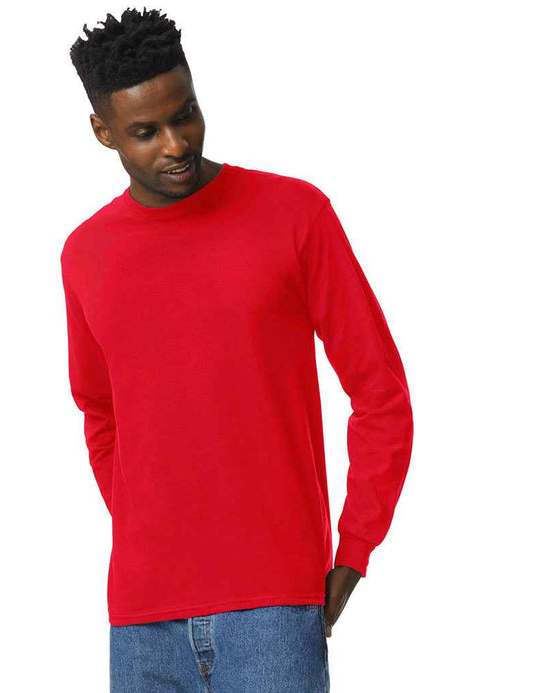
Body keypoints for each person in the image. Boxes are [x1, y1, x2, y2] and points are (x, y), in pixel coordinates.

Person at [61, 7, 414, 692]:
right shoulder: (85, 255)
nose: (175, 144)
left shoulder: (294, 214)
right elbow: (99, 413)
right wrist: (146, 527)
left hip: (275, 608)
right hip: (142, 619)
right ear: (104, 132)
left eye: (186, 114)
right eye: (145, 131)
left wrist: (356, 547)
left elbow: (381, 392)